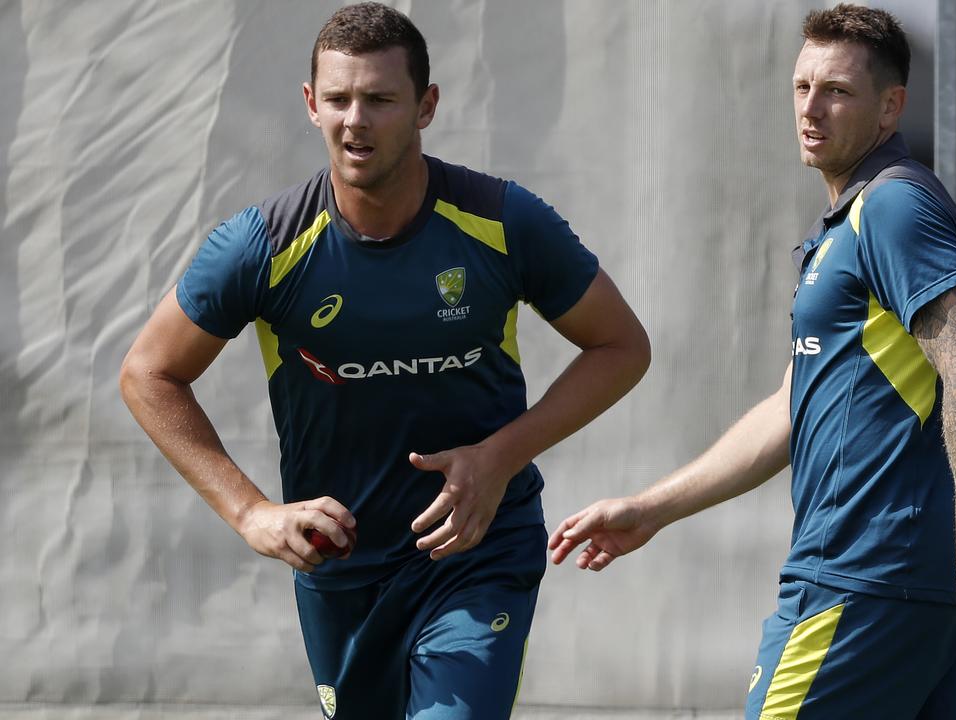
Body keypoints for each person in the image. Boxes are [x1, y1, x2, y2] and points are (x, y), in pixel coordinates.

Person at [119, 3, 649, 718]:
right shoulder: (262, 245)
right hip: (342, 566)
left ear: (426, 106)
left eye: (379, 99)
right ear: (311, 105)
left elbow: (621, 346)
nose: (355, 120)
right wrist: (250, 514)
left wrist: (497, 459)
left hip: (475, 554)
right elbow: (148, 373)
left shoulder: (502, 222)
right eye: (337, 99)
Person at [549, 5, 956, 718]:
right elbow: (789, 408)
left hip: (865, 576)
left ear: (890, 106)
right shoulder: (846, 225)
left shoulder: (894, 207)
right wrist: (651, 509)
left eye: (836, 90)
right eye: (802, 87)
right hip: (919, 587)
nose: (811, 107)